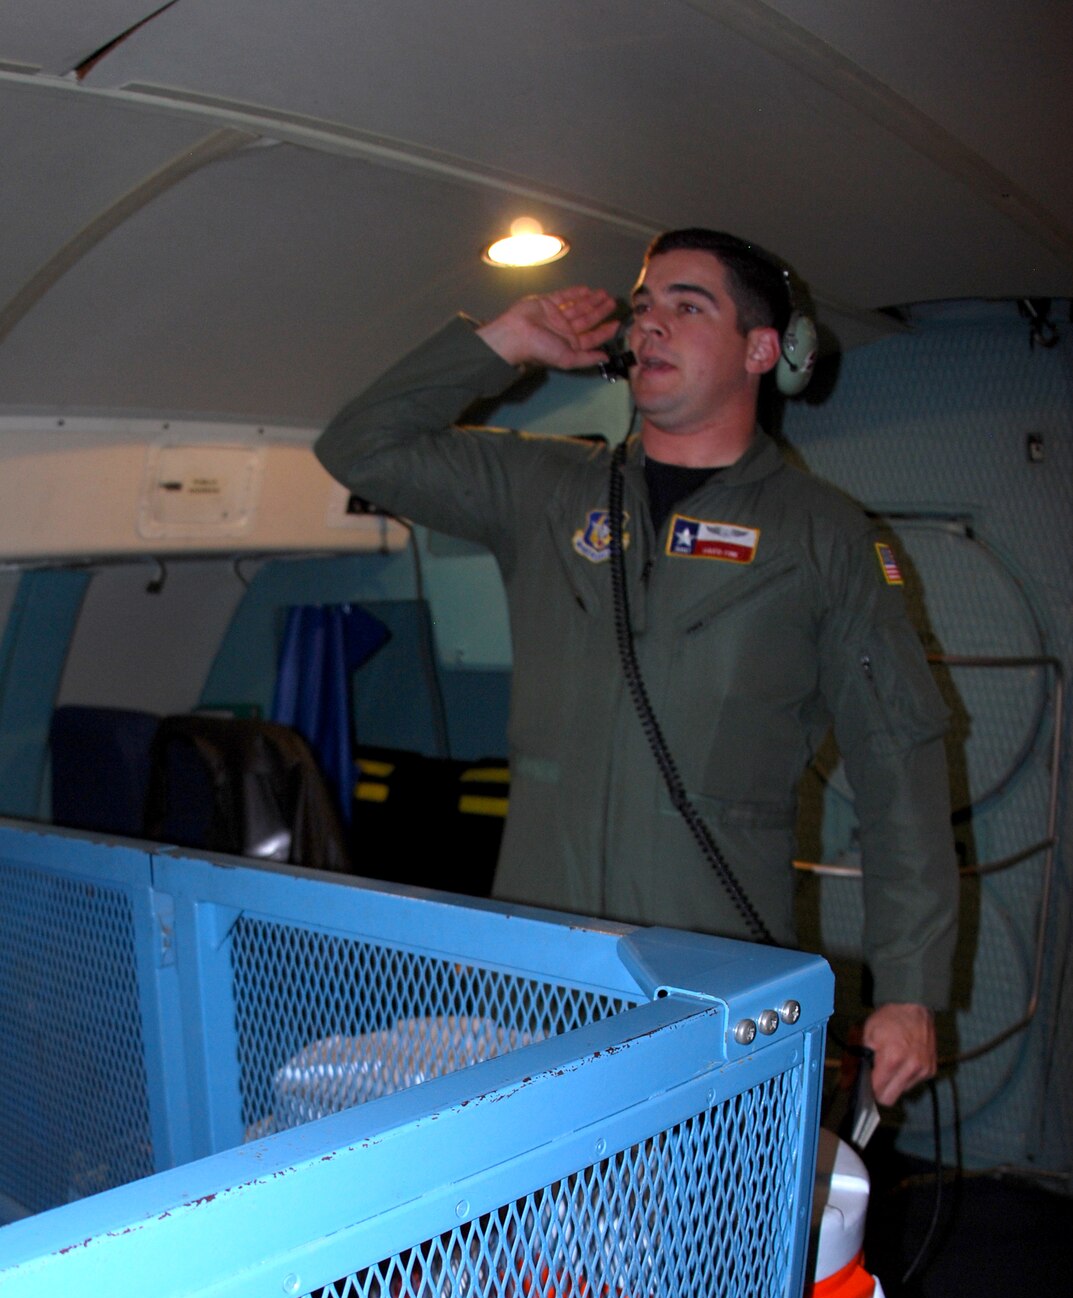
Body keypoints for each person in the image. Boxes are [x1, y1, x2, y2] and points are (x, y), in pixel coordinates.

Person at [315, 228, 959, 1106]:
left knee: (697, 1219)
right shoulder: (548, 491)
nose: (649, 325)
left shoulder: (824, 537)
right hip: (535, 977)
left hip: (713, 979)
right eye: (645, 305)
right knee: (545, 1230)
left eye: (688, 307)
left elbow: (900, 767)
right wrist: (502, 343)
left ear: (763, 350)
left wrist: (910, 988)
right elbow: (361, 447)